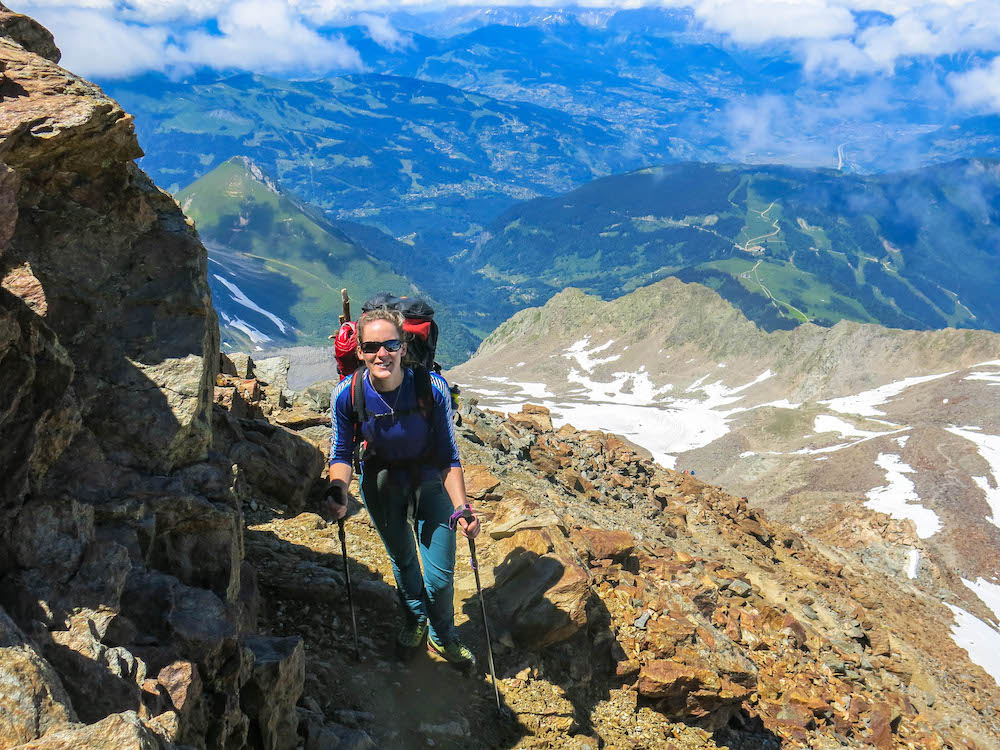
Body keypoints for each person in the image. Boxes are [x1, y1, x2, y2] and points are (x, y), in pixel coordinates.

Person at [325, 306, 481, 668]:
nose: (383, 354)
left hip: (431, 480)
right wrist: (338, 490)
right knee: (404, 560)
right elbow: (341, 452)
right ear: (360, 352)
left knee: (440, 578)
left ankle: (443, 636)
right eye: (372, 347)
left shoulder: (432, 387)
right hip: (381, 482)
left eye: (391, 344)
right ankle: (415, 620)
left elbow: (448, 455)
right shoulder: (348, 394)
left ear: (404, 347)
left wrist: (461, 507)